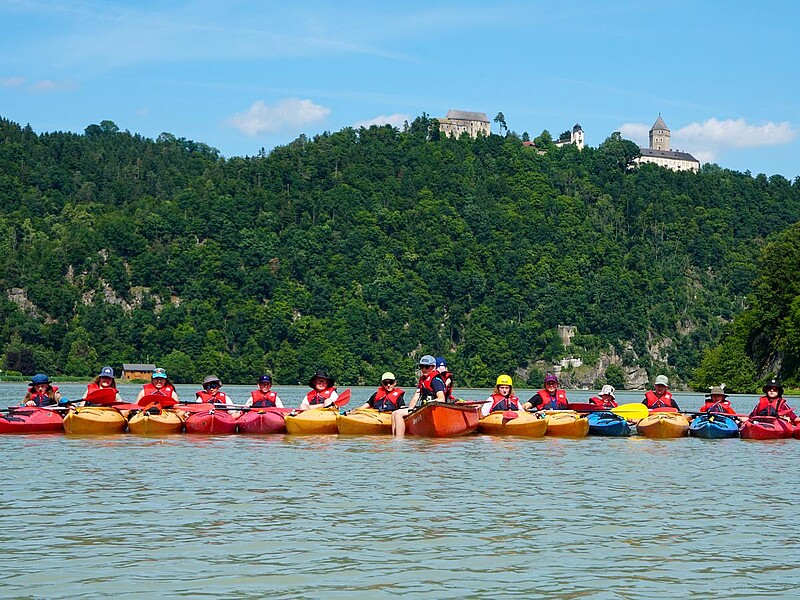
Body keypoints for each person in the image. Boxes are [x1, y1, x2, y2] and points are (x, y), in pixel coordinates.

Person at [392, 355, 447, 435]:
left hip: (434, 409)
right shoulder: (423, 380)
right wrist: (410, 410)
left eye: (427, 367)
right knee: (394, 413)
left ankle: (399, 440)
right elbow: (416, 396)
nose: (424, 369)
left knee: (398, 414)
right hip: (424, 408)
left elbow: (441, 399)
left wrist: (429, 403)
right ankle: (393, 439)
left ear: (434, 367)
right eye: (421, 366)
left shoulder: (435, 380)